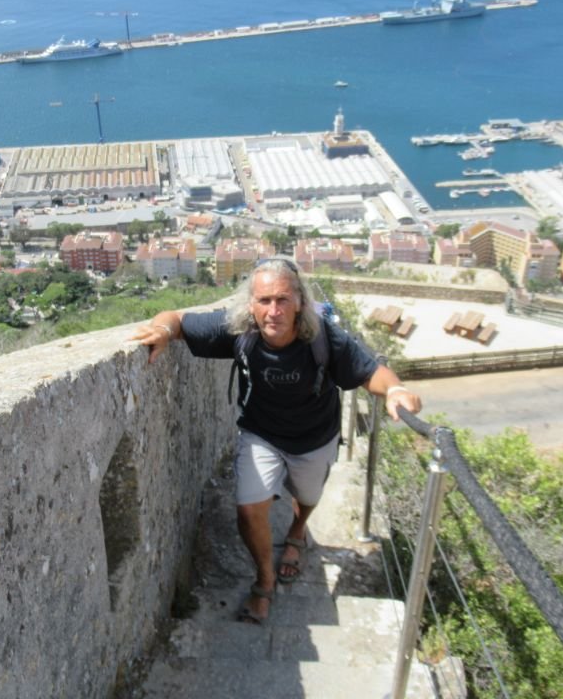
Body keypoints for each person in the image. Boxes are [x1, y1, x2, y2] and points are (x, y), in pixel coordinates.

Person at [132, 260, 421, 624]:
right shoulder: (239, 330)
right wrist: (160, 329)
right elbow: (175, 318)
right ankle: (264, 579)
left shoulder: (324, 338)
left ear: (300, 301)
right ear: (250, 305)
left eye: (283, 299)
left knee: (308, 498)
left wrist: (395, 390)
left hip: (316, 437)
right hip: (261, 434)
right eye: (264, 300)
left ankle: (298, 532)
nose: (273, 311)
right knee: (249, 508)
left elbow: (372, 372)